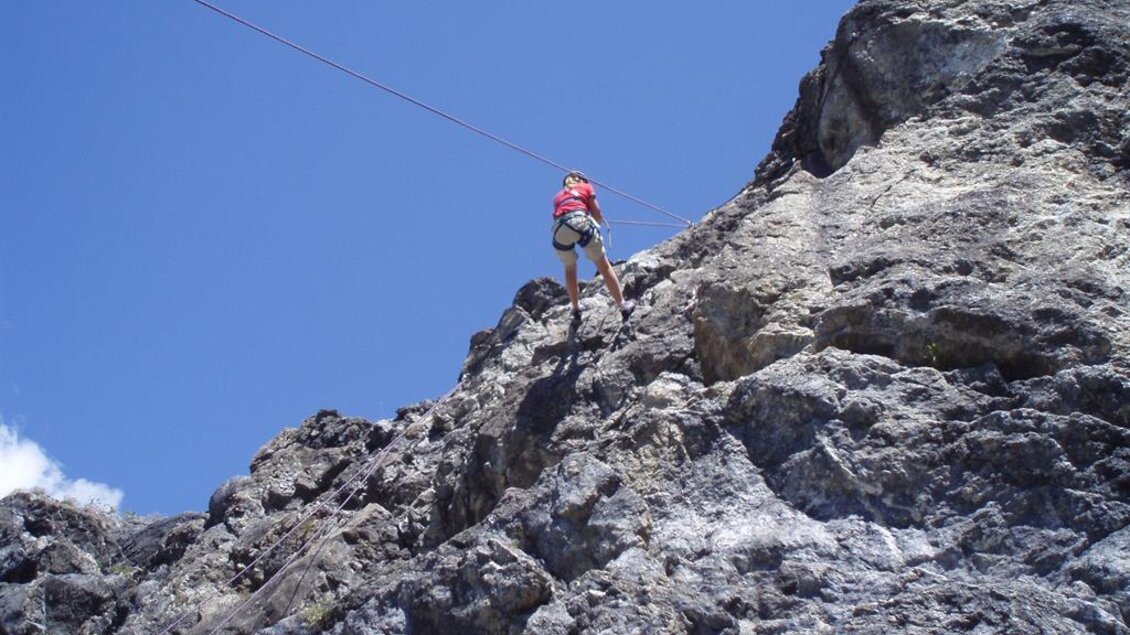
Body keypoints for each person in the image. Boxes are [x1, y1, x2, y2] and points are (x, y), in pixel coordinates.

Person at [551, 170, 635, 322]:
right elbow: (597, 213)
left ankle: (575, 309)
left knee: (570, 268)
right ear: (581, 180)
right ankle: (623, 306)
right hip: (580, 222)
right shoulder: (586, 187)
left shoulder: (558, 196)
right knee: (604, 266)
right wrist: (597, 221)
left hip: (559, 230)